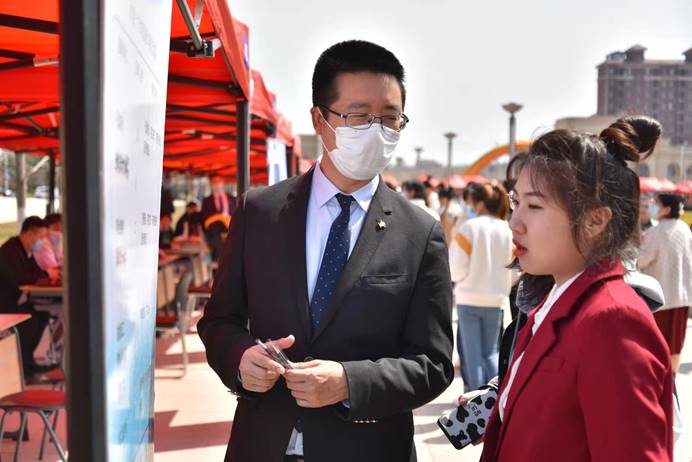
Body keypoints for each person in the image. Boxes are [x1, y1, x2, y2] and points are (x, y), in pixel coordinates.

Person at [198, 40, 453, 462]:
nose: (377, 131)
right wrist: (240, 358)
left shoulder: (420, 232)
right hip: (263, 445)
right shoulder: (259, 212)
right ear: (319, 119)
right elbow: (218, 320)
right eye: (359, 116)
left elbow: (434, 362)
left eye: (390, 118)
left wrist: (350, 382)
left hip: (368, 449)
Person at [479, 116, 673, 461]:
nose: (514, 222)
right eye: (515, 202)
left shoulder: (613, 322)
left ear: (595, 220)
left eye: (534, 206)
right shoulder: (554, 300)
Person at [449, 182, 512, 391]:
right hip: (496, 300)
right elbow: (515, 269)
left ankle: (475, 400)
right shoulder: (507, 229)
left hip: (468, 298)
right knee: (491, 353)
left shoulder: (470, 227)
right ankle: (495, 396)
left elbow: (456, 268)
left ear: (481, 203)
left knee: (472, 356)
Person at [638, 192, 692, 372]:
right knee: (675, 344)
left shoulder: (655, 232)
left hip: (659, 298)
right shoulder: (684, 228)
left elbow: (642, 260)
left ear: (666, 209)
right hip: (682, 296)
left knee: (655, 344)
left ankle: (659, 379)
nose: (652, 206)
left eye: (656, 203)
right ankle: (673, 379)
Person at [0, 216, 59, 374]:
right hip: (4, 304)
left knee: (42, 314)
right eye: (41, 237)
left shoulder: (25, 251)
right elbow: (19, 278)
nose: (42, 242)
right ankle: (22, 365)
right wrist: (46, 275)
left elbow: (36, 273)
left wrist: (47, 276)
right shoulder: (10, 251)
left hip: (15, 301)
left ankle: (27, 361)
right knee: (30, 319)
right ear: (30, 234)